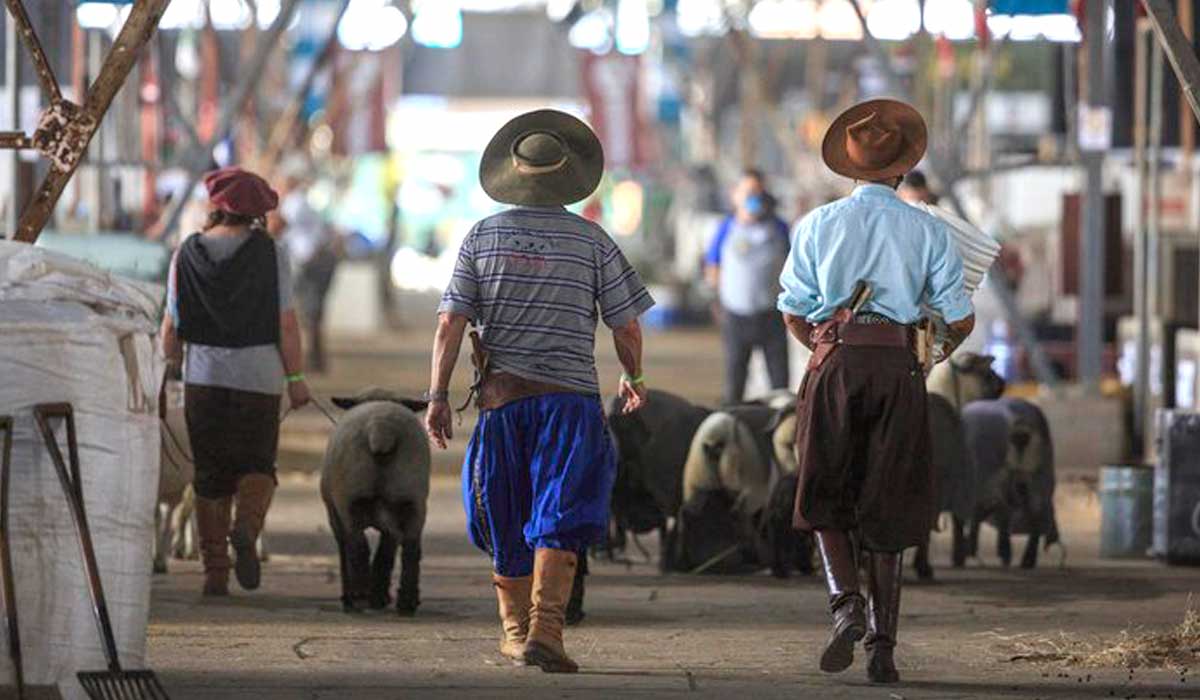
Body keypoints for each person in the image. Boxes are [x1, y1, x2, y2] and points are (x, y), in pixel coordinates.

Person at [425, 109, 653, 673]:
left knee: (503, 508)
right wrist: (635, 375)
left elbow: (450, 323)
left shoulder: (481, 235)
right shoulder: (592, 240)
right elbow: (625, 325)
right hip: (571, 403)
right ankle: (547, 628)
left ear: (513, 172)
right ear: (566, 175)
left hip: (503, 403)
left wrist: (435, 396)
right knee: (562, 508)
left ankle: (514, 629)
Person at [777, 100, 975, 684]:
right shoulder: (927, 228)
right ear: (901, 170)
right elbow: (959, 318)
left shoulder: (817, 224)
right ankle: (883, 650)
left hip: (834, 363)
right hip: (898, 369)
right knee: (890, 500)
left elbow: (791, 309)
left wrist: (820, 345)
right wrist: (929, 356)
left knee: (822, 490)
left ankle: (845, 607)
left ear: (851, 168)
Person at [160, 167, 312, 598]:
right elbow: (286, 322)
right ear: (257, 213)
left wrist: (162, 370)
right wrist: (296, 378)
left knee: (209, 475)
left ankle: (214, 572)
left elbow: (170, 327)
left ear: (216, 207)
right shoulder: (270, 252)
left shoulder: (184, 253)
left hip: (203, 378)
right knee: (257, 464)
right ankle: (245, 529)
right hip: (259, 378)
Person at [704, 169, 791, 405]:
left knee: (780, 386)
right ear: (735, 195)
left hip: (772, 317)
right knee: (735, 385)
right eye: (749, 192)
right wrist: (717, 300)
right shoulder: (725, 229)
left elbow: (794, 266)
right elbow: (712, 268)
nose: (754, 197)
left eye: (759, 192)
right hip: (736, 318)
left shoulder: (780, 228)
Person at [273, 162, 339, 373]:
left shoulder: (294, 203)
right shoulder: (299, 202)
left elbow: (277, 227)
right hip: (315, 260)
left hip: (312, 263)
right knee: (312, 313)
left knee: (304, 312)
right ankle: (315, 358)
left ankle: (311, 358)